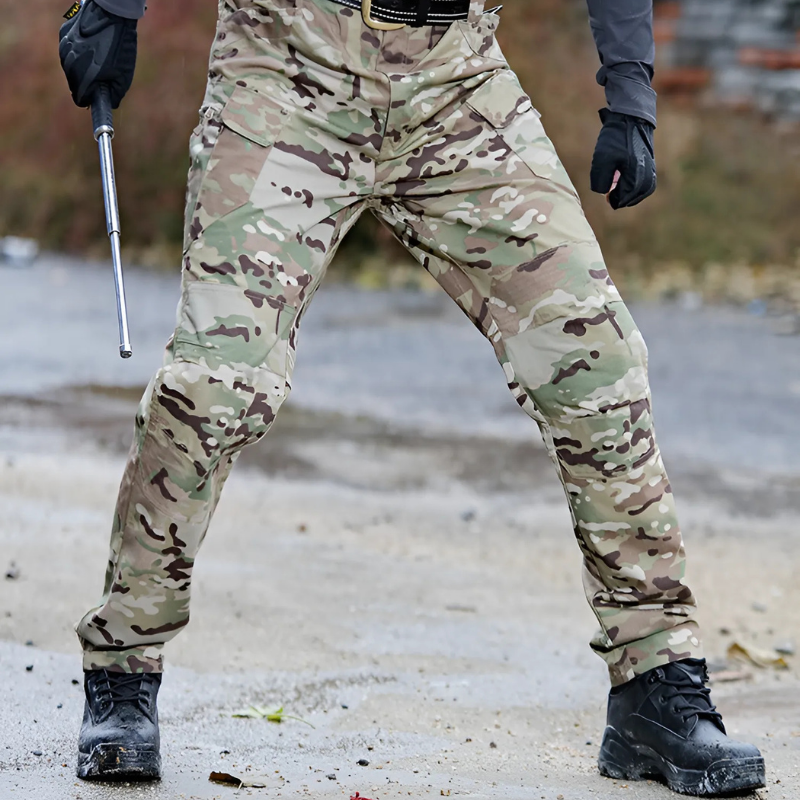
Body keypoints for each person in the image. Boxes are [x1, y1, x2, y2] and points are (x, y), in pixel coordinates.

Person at [59, 0, 766, 794]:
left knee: (597, 360)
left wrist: (630, 91)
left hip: (455, 81)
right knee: (216, 387)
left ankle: (655, 685)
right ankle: (124, 666)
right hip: (288, 70)